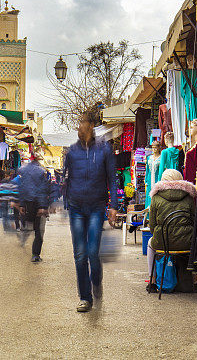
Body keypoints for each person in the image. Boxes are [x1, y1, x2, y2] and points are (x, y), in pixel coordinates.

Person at [63, 114, 118, 312]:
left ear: (92, 126)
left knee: (93, 253)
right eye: (79, 125)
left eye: (84, 125)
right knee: (80, 255)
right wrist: (65, 201)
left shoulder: (104, 150)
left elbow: (112, 179)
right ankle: (85, 298)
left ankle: (96, 280)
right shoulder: (72, 152)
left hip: (96, 207)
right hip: (76, 207)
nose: (81, 129)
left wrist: (113, 205)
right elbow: (66, 177)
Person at [147, 169, 196, 292]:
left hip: (163, 242)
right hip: (187, 242)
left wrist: (159, 234)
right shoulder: (189, 197)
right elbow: (194, 220)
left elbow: (152, 225)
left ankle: (152, 281)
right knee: (194, 246)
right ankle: (194, 281)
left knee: (150, 245)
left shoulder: (156, 198)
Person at [15, 153, 51, 262]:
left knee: (27, 224)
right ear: (38, 160)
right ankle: (35, 255)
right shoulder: (42, 171)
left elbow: (22, 187)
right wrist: (42, 207)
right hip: (37, 204)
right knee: (39, 231)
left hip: (26, 203)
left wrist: (21, 204)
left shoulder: (23, 170)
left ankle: (23, 239)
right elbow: (42, 190)